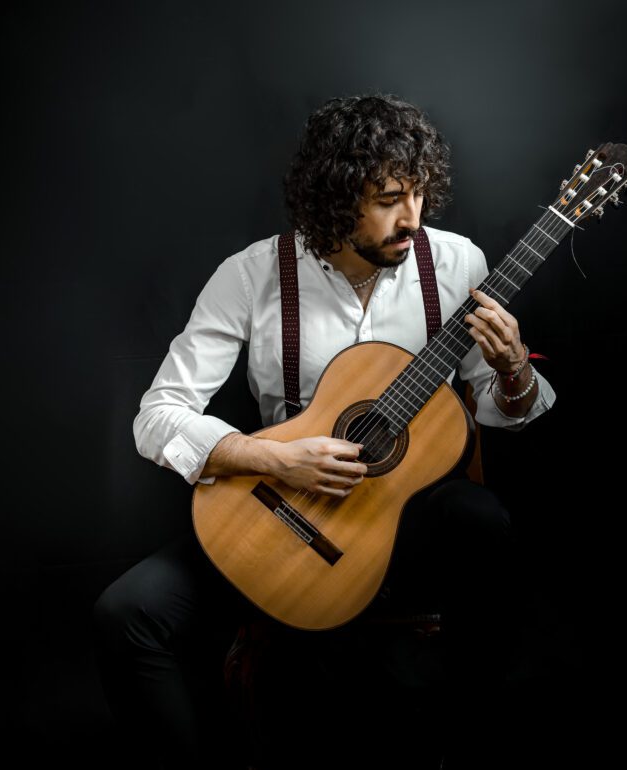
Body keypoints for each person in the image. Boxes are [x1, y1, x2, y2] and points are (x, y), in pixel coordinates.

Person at [92, 93, 556, 769]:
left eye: (420, 194)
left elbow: (495, 406)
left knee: (480, 521)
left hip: (405, 526)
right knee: (125, 614)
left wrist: (514, 369)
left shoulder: (456, 265)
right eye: (389, 199)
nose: (412, 219)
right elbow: (157, 415)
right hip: (280, 516)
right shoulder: (252, 276)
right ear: (336, 198)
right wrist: (272, 460)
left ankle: (468, 742)